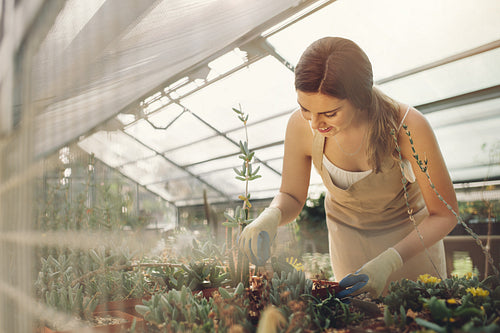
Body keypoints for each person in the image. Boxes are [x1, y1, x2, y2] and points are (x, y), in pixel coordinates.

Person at [238, 37, 458, 299]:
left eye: (330, 113)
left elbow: (445, 214)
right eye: (305, 108)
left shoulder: (407, 126)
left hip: (410, 246)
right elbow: (293, 196)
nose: (314, 124)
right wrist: (271, 216)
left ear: (360, 99)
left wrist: (390, 260)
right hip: (348, 244)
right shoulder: (300, 125)